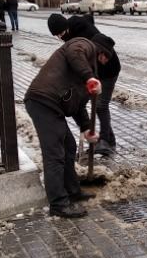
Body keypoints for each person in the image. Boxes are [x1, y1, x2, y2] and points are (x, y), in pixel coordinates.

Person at [24, 13, 111, 218]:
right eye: (107, 57)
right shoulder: (83, 45)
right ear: (102, 53)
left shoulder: (88, 68)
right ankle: (58, 204)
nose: (106, 61)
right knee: (55, 153)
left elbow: (78, 106)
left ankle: (72, 192)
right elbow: (74, 52)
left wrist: (86, 129)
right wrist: (89, 77)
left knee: (69, 146)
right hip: (42, 101)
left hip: (53, 106)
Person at [49, 13, 121, 157]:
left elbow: (96, 55)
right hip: (93, 73)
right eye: (57, 35)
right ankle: (109, 141)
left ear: (67, 27)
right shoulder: (70, 35)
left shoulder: (86, 33)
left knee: (101, 105)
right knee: (93, 105)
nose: (60, 37)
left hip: (108, 70)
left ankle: (105, 141)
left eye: (61, 33)